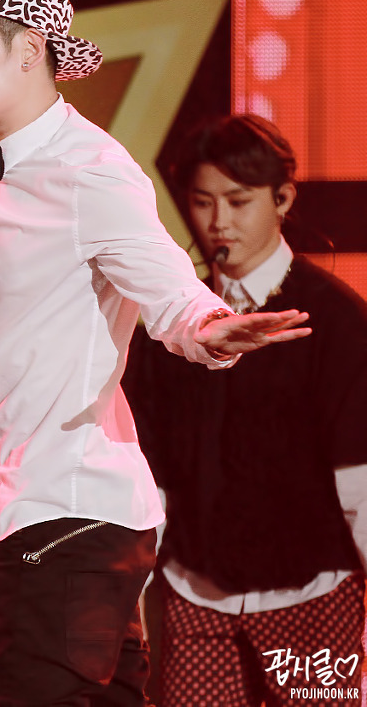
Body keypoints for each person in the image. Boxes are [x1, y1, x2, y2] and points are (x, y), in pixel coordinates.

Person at [0, 0, 311, 705]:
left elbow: (171, 290)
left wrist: (215, 325)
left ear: (29, 52)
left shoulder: (91, 171)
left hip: (63, 510)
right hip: (49, 516)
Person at [124, 114, 367, 706]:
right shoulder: (171, 325)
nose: (218, 222)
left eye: (238, 201)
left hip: (313, 597)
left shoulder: (334, 318)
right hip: (196, 593)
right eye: (202, 202)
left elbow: (357, 479)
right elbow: (150, 472)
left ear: (282, 198)